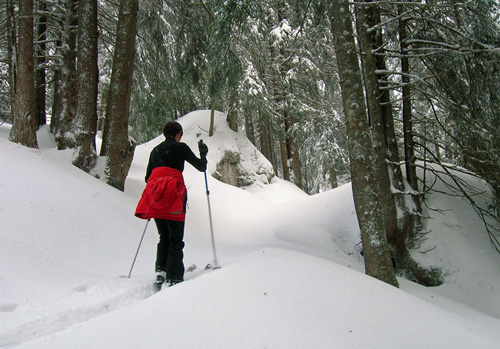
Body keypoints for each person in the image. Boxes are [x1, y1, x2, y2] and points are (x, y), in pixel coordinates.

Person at [135, 121, 208, 291]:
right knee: (176, 238)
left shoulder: (155, 151)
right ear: (179, 134)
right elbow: (201, 167)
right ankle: (174, 277)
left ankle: (161, 271)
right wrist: (203, 154)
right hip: (174, 197)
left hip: (156, 199)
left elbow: (148, 177)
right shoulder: (180, 147)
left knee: (164, 236)